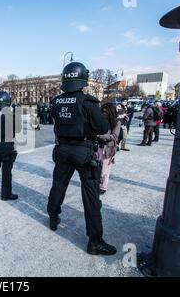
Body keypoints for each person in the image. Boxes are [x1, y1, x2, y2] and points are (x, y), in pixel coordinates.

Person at [47, 61, 116, 256]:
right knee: (91, 195)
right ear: (83, 80)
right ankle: (95, 240)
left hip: (62, 149)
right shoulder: (88, 102)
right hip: (83, 151)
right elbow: (103, 128)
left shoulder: (56, 101)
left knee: (58, 185)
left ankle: (53, 216)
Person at [97, 103, 121, 195]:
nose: (103, 113)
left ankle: (103, 186)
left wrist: (100, 136)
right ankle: (97, 183)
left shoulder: (116, 122)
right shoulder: (100, 121)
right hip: (98, 146)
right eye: (102, 111)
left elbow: (114, 136)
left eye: (105, 111)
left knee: (105, 169)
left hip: (108, 148)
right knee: (97, 167)